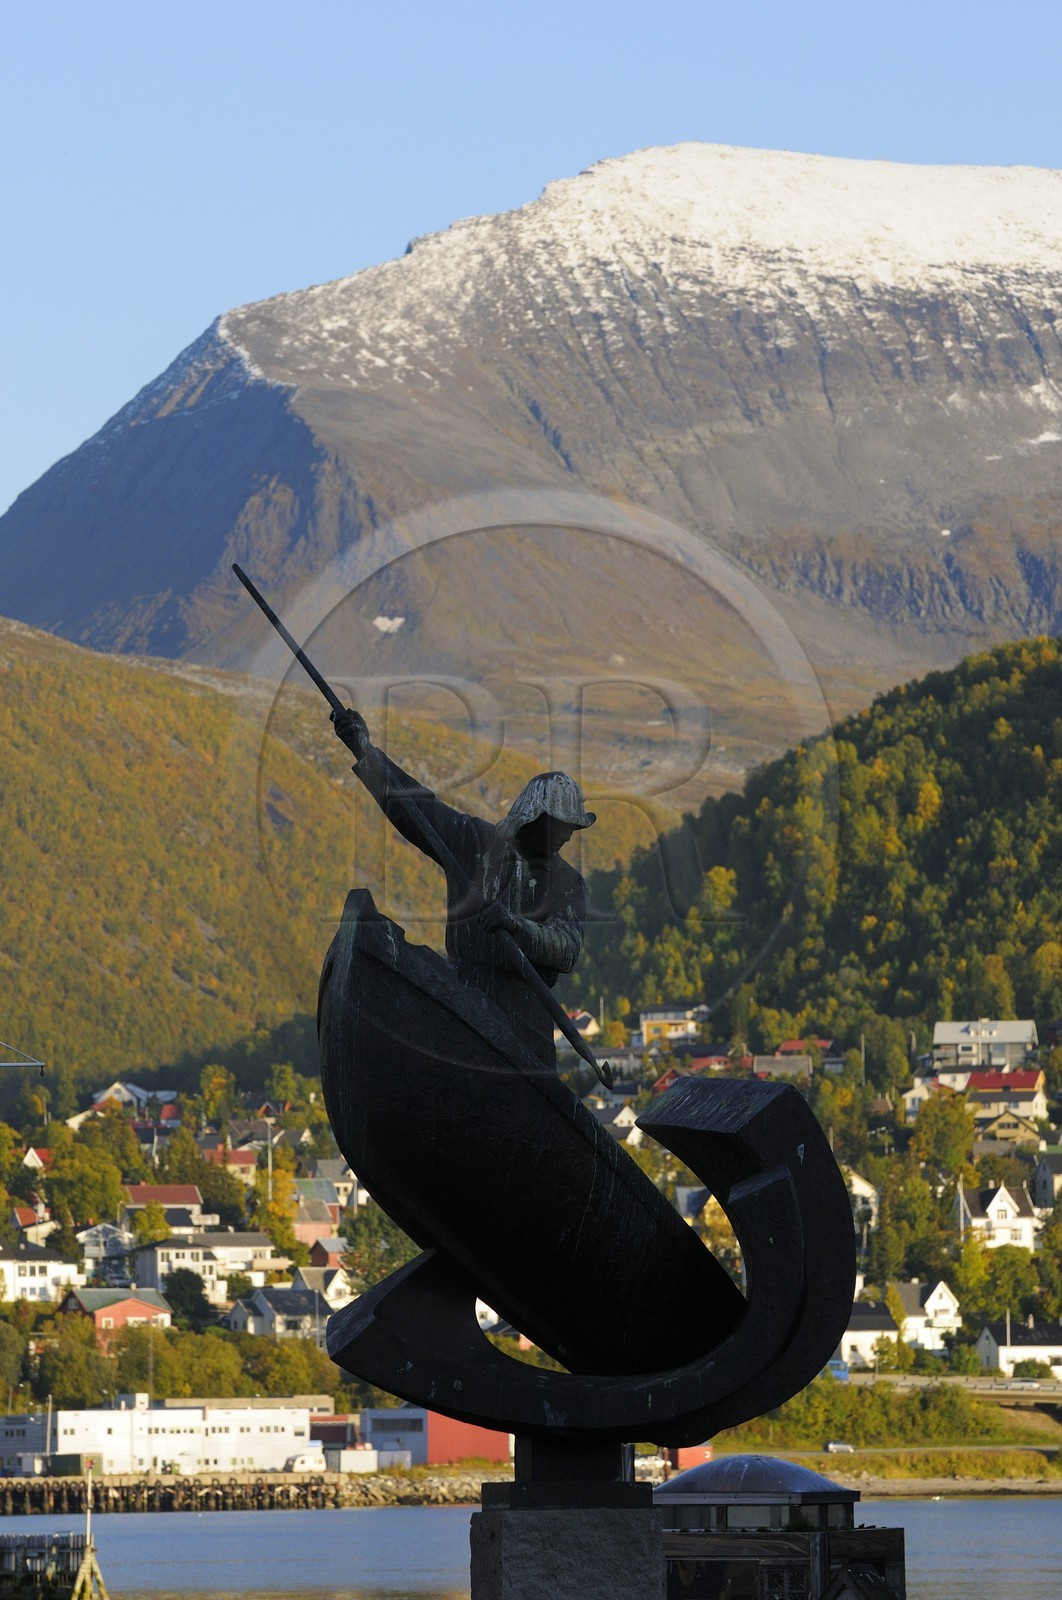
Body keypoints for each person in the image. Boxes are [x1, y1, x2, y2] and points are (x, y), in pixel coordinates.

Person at [331, 707, 594, 1066]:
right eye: (562, 824)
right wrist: (365, 750)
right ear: (535, 816)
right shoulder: (474, 841)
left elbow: (565, 948)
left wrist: (517, 926)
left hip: (525, 1018)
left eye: (573, 828)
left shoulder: (568, 884)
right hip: (462, 1002)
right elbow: (417, 808)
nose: (567, 835)